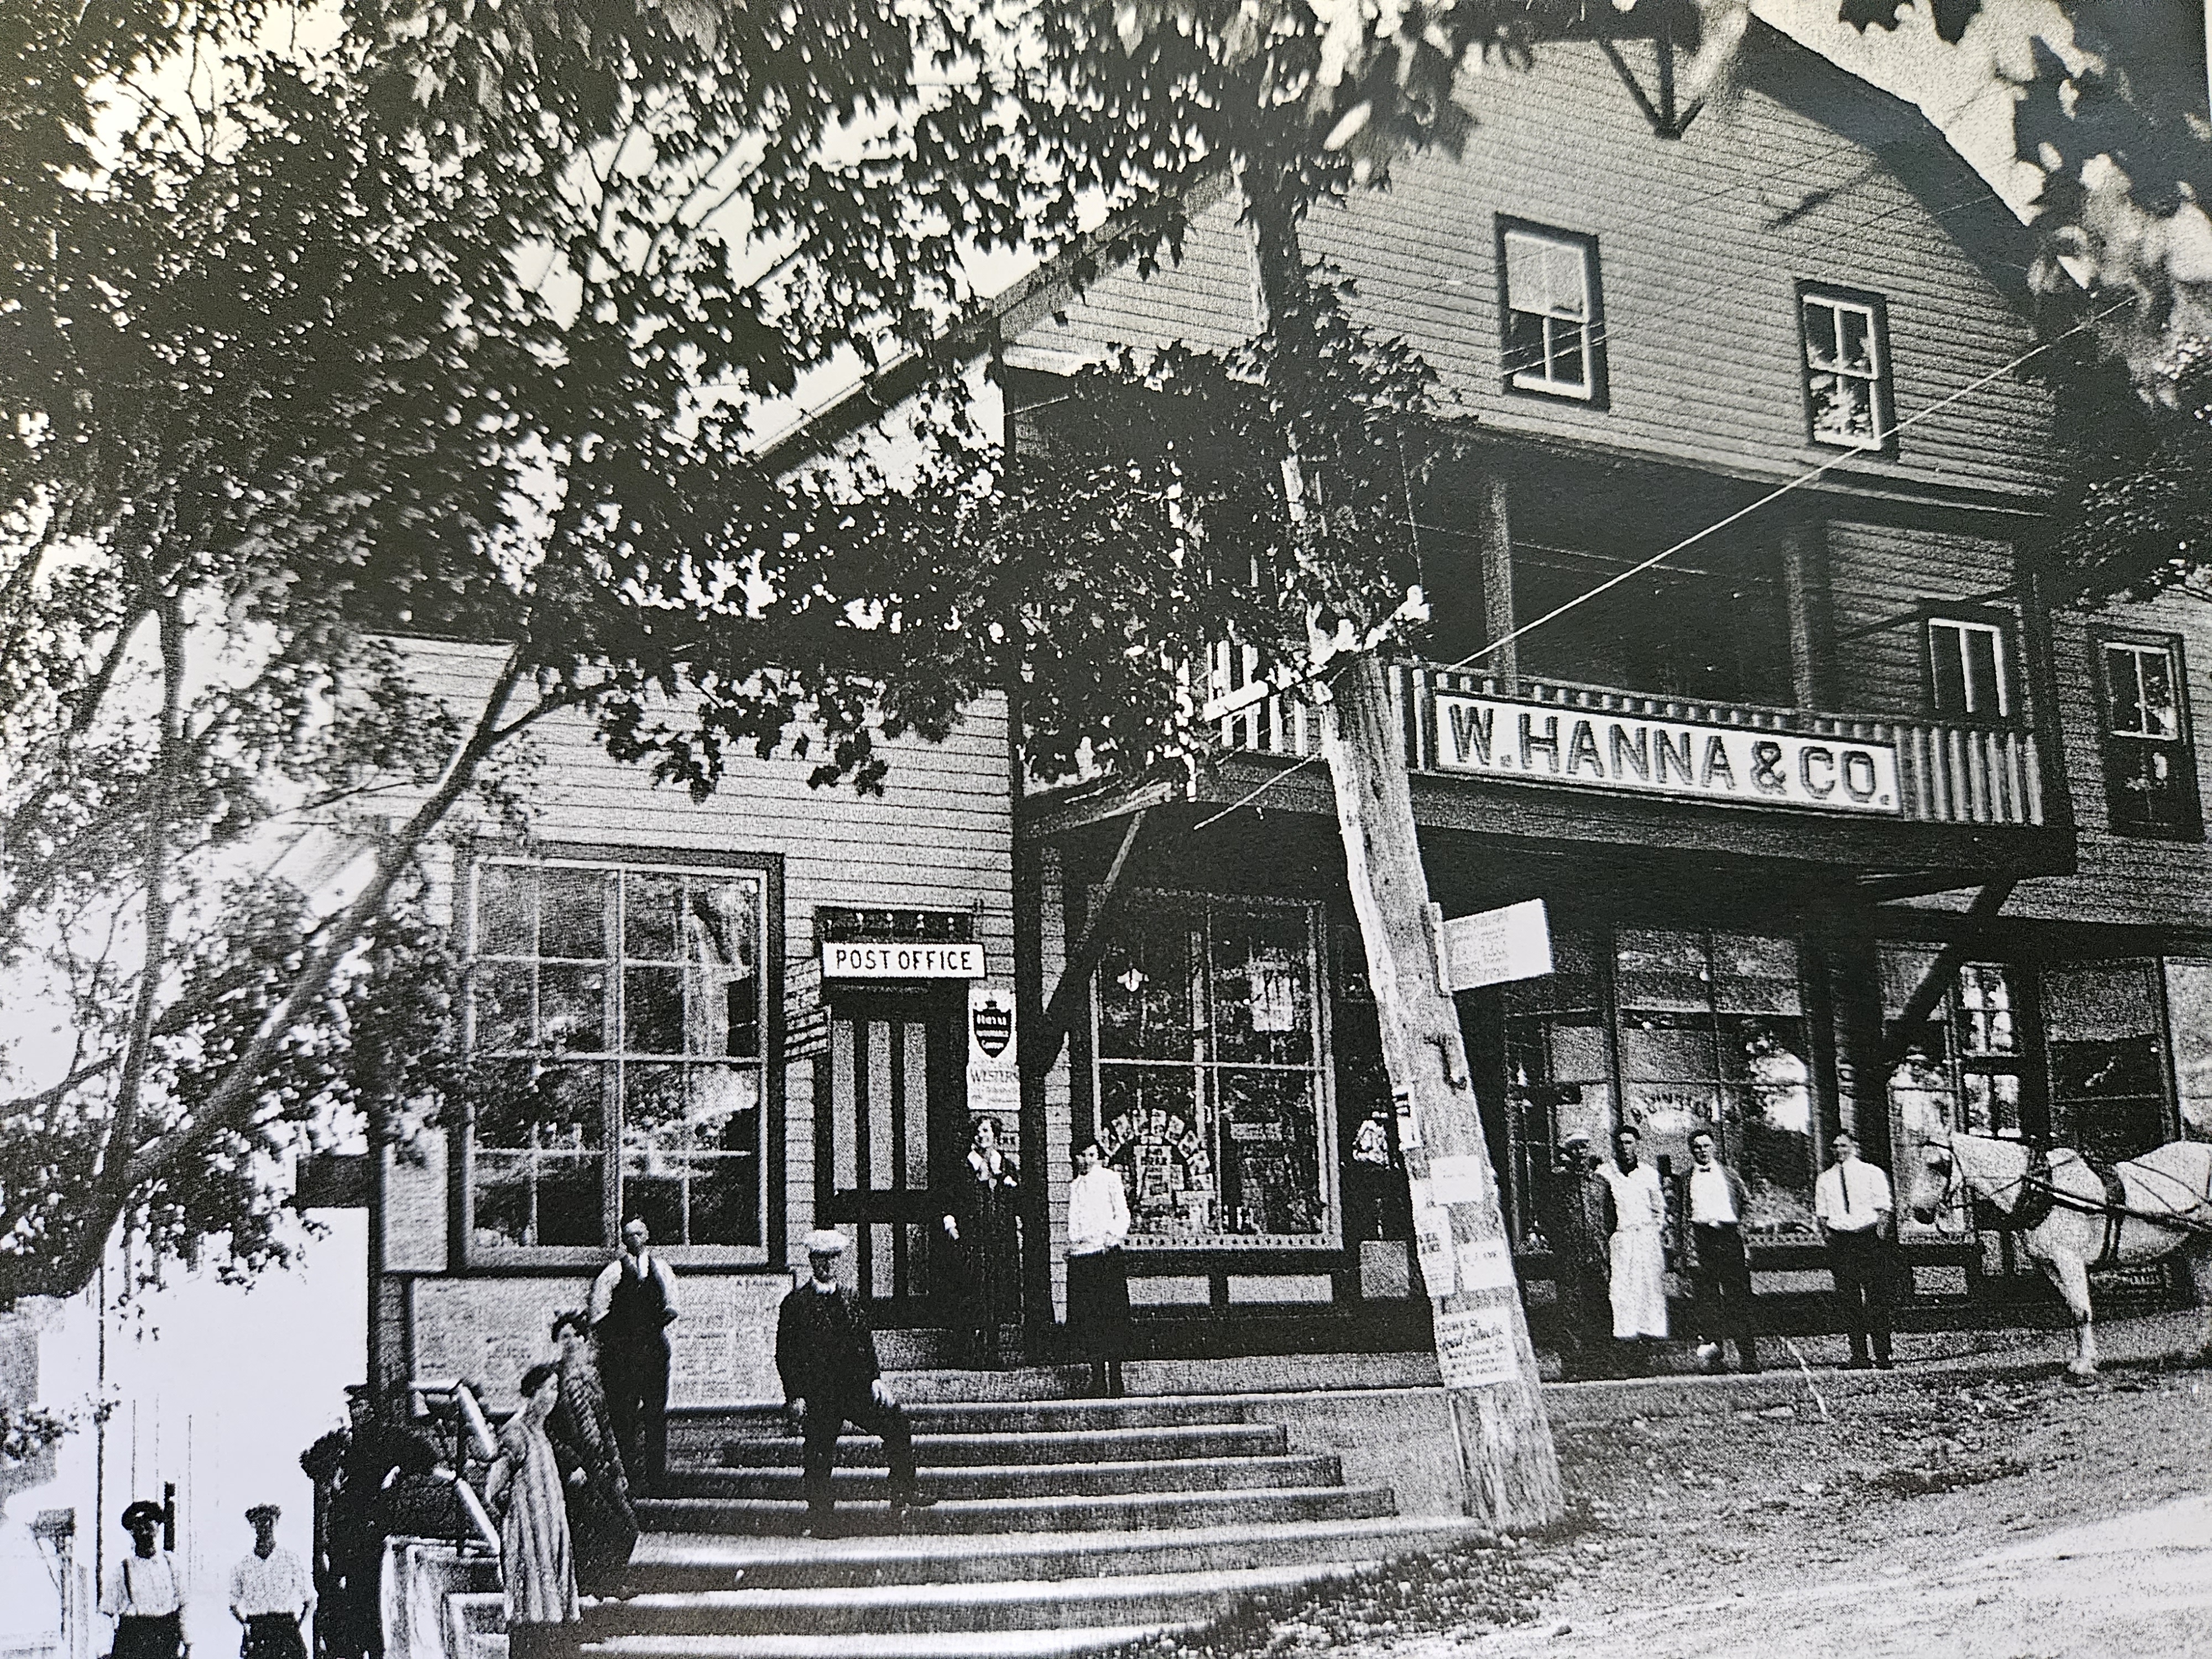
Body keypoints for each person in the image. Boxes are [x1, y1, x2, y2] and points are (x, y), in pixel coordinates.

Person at [776, 1229, 937, 1536]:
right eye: (822, 1259)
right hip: (819, 1393)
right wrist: (795, 1396)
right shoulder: (796, 1303)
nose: (828, 1266)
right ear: (812, 1261)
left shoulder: (850, 1298)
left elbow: (864, 1343)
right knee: (819, 1451)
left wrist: (876, 1380)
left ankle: (903, 1491)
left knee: (896, 1422)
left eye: (833, 1259)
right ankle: (821, 1516)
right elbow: (786, 1354)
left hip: (854, 1388)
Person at [301, 1384, 439, 1659]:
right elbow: (309, 1461)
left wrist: (398, 1472)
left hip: (369, 1534)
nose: (355, 1412)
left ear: (371, 1408)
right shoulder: (346, 1440)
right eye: (352, 1408)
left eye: (359, 1406)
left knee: (368, 1603)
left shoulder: (388, 1437)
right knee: (341, 1601)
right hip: (341, 1537)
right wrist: (330, 1461)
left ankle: (372, 1652)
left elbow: (427, 1457)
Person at [486, 1364, 580, 1659]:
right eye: (549, 1389)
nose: (554, 1396)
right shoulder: (516, 1434)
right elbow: (493, 1489)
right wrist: (520, 1518)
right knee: (531, 1616)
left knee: (550, 1614)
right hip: (528, 1541)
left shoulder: (542, 1435)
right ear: (532, 1392)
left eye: (556, 1390)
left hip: (549, 1539)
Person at [546, 1310, 638, 1596]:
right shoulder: (553, 1382)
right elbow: (548, 1431)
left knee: (627, 1527)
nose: (571, 1342)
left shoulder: (591, 1377)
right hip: (577, 1472)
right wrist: (571, 1465)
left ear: (584, 1339)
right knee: (592, 1530)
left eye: (576, 1336)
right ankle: (595, 1586)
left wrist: (619, 1470)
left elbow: (606, 1427)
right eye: (564, 1337)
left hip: (601, 1467)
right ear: (556, 1342)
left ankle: (608, 1581)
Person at [589, 1217, 681, 1493]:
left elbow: (672, 1306)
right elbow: (598, 1314)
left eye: (639, 1233)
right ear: (623, 1239)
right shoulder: (613, 1272)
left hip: (653, 1352)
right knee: (624, 1416)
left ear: (648, 1235)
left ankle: (657, 1478)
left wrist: (650, 1329)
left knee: (655, 1413)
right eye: (629, 1235)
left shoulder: (662, 1270)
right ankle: (628, 1477)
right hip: (623, 1357)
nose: (635, 1240)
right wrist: (622, 1338)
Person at [1678, 1128, 1760, 1375]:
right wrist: (1687, 1252)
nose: (1702, 1151)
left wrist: (1741, 1232)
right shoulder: (1685, 1179)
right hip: (1701, 1240)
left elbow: (1748, 1203)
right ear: (1691, 1150)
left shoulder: (1730, 1174)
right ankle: (1715, 1360)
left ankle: (1748, 1358)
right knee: (1708, 1304)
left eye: (1705, 1146)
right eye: (1697, 1147)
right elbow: (1680, 1215)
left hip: (1729, 1239)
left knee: (1738, 1301)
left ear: (1713, 1147)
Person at [941, 1117, 1021, 1366]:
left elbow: (1016, 1201)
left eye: (986, 1130)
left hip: (999, 1239)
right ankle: (969, 1351)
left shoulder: (1005, 1166)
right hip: (972, 1237)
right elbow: (949, 1200)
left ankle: (993, 1349)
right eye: (977, 1131)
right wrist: (952, 1227)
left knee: (996, 1292)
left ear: (995, 1135)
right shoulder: (962, 1166)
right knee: (972, 1291)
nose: (981, 1135)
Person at [1536, 1132, 1614, 1380]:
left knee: (1599, 1307)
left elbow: (1610, 1219)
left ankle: (1600, 1361)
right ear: (1568, 1152)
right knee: (1570, 1310)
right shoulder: (1556, 1184)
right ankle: (1573, 1364)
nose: (1582, 1153)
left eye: (1585, 1148)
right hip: (1569, 1256)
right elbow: (1547, 1217)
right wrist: (1562, 1242)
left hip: (1596, 1254)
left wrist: (1599, 1241)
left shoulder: (1600, 1185)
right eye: (1577, 1148)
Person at [1816, 1130, 1897, 1370]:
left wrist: (1879, 1238)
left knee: (1876, 1297)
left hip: (1867, 1239)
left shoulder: (1872, 1173)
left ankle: (1883, 1355)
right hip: (1842, 1242)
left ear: (1854, 1146)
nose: (1838, 1150)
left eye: (1843, 1145)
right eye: (1834, 1146)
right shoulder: (1825, 1179)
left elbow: (1884, 1208)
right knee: (1849, 1299)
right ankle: (1859, 1355)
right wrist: (1829, 1238)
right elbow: (1822, 1214)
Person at [1064, 1136, 1132, 1398]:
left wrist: (1111, 1238)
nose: (1087, 1161)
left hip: (1105, 1256)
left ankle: (1116, 1377)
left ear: (1098, 1157)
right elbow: (1076, 1221)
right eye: (1081, 1155)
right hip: (1083, 1256)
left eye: (1092, 1155)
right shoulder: (1075, 1186)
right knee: (1089, 1318)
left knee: (1110, 1317)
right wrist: (1072, 1246)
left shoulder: (1110, 1180)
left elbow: (1122, 1213)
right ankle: (1097, 1377)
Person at [1597, 1125, 1668, 1366]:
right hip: (1621, 1240)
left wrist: (1652, 1232)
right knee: (1622, 1292)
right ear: (1614, 1145)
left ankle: (1646, 1351)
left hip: (1646, 1240)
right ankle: (1625, 1348)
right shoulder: (1604, 1173)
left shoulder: (1649, 1174)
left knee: (1648, 1290)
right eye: (1620, 1142)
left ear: (1636, 1144)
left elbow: (1660, 1210)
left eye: (1629, 1142)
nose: (1624, 1147)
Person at [229, 1504, 314, 1659]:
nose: (265, 1527)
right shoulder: (244, 1566)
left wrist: (295, 1627)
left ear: (275, 1524)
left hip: (286, 1630)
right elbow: (232, 1604)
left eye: (269, 1522)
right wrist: (247, 1626)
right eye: (259, 1522)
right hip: (258, 1630)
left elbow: (310, 1599)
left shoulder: (290, 1560)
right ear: (253, 1525)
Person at [102, 1501, 185, 1659]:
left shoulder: (172, 1564)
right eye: (139, 1530)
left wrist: (189, 1645)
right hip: (133, 1640)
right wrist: (104, 1649)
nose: (145, 1534)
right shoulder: (123, 1570)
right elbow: (106, 1611)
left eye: (149, 1528)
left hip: (166, 1641)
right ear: (133, 1533)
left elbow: (185, 1604)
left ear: (157, 1529)